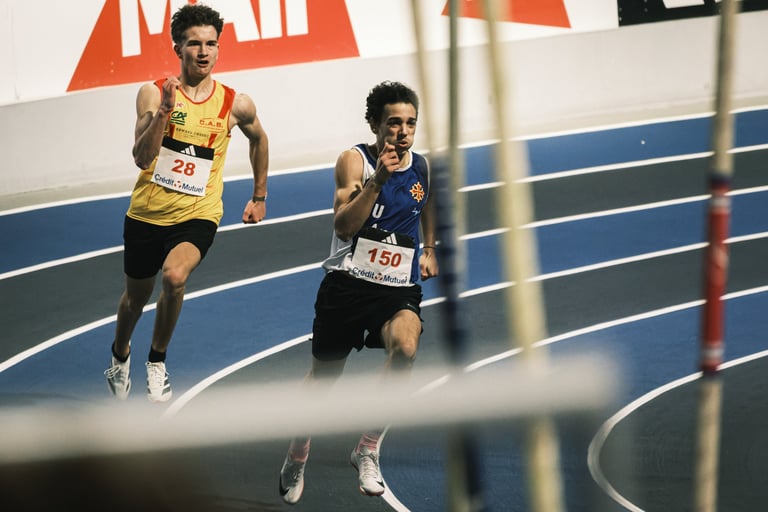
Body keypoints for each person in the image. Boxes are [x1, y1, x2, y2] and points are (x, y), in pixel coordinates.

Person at [278, 81, 439, 504]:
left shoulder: (422, 167)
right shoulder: (355, 161)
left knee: (406, 349)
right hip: (348, 286)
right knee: (323, 380)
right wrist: (379, 179)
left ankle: (367, 448)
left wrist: (430, 248)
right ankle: (298, 451)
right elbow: (344, 226)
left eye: (410, 123)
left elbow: (428, 203)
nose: (402, 132)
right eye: (393, 123)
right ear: (375, 125)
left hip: (397, 288)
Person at [104, 3, 269, 403]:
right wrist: (164, 110)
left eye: (211, 44)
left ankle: (157, 360)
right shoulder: (153, 92)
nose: (203, 52)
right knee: (135, 300)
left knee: (175, 277)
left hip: (199, 213)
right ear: (178, 47)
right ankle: (120, 353)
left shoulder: (235, 103)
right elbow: (142, 158)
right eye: (194, 44)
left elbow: (259, 139)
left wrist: (259, 195)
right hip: (147, 214)